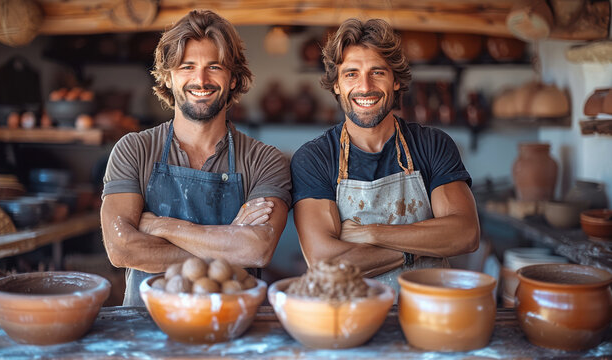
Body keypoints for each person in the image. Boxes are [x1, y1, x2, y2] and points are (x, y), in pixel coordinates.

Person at [101, 10, 291, 306]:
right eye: (187, 67)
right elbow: (121, 248)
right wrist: (229, 243)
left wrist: (159, 226)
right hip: (144, 330)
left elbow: (257, 250)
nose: (200, 80)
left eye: (214, 67)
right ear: (169, 77)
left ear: (232, 78)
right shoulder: (134, 150)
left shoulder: (264, 161)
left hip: (233, 327)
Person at [290, 18, 479, 294]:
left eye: (377, 72)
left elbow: (465, 233)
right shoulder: (315, 158)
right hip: (351, 315)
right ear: (336, 85)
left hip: (431, 310)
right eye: (351, 74)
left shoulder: (433, 144)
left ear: (396, 82)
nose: (365, 86)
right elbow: (325, 261)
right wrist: (415, 251)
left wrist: (372, 233)